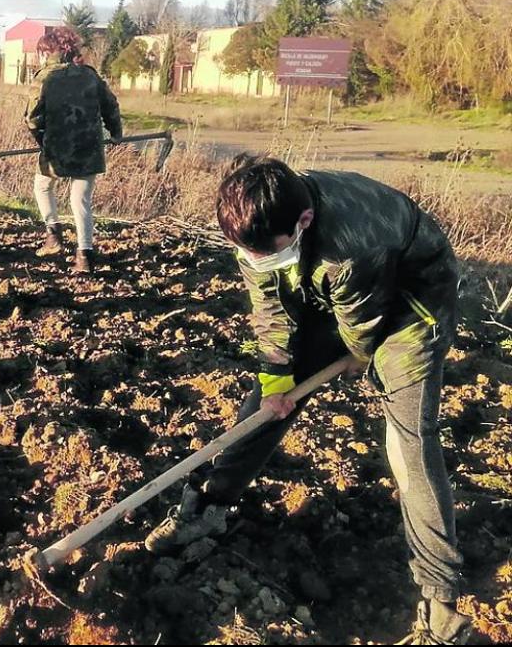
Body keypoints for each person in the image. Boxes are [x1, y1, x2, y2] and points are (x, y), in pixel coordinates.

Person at [144, 156, 470, 645]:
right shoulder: (254, 225)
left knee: (409, 440)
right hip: (331, 290)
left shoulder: (353, 245)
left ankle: (440, 602)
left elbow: (360, 335)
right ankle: (208, 508)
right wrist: (276, 381)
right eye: (246, 252)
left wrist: (364, 359)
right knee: (266, 403)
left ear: (305, 221)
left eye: (263, 252)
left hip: (410, 298)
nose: (253, 260)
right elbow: (270, 307)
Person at [25, 26, 123, 273]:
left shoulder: (45, 77)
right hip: (89, 148)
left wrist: (42, 139)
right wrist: (116, 133)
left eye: (42, 52)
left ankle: (53, 236)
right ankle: (85, 255)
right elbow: (110, 105)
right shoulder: (90, 75)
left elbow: (32, 118)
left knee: (42, 185)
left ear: (49, 52)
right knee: (80, 199)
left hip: (57, 148)